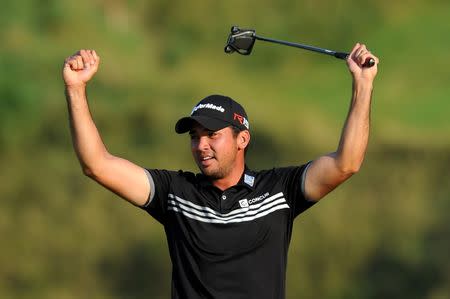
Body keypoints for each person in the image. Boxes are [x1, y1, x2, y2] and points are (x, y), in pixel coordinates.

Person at [62, 43, 379, 299]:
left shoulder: (278, 190)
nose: (201, 145)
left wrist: (362, 85)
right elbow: (97, 165)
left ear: (242, 139)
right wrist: (76, 89)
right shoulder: (175, 193)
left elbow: (346, 163)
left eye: (212, 135)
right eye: (195, 136)